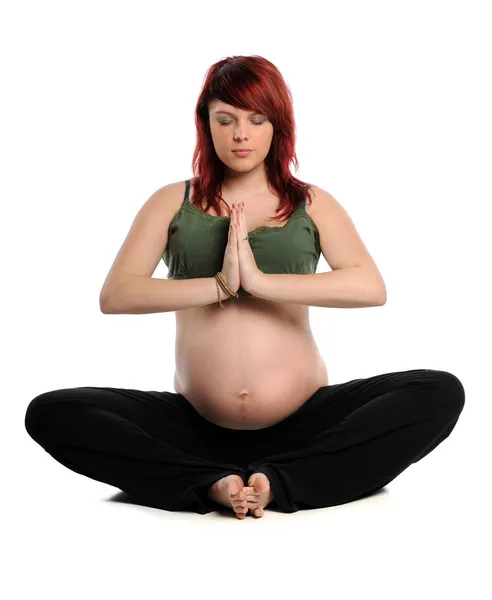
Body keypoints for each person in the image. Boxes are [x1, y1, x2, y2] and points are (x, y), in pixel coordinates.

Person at [24, 55, 465, 519]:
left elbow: (370, 287)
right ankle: (211, 483)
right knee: (52, 412)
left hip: (306, 423)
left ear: (277, 126)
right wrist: (219, 285)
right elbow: (117, 295)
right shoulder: (171, 201)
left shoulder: (311, 203)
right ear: (206, 124)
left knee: (439, 392)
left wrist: (260, 282)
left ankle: (279, 481)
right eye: (226, 119)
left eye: (257, 119)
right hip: (195, 427)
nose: (240, 134)